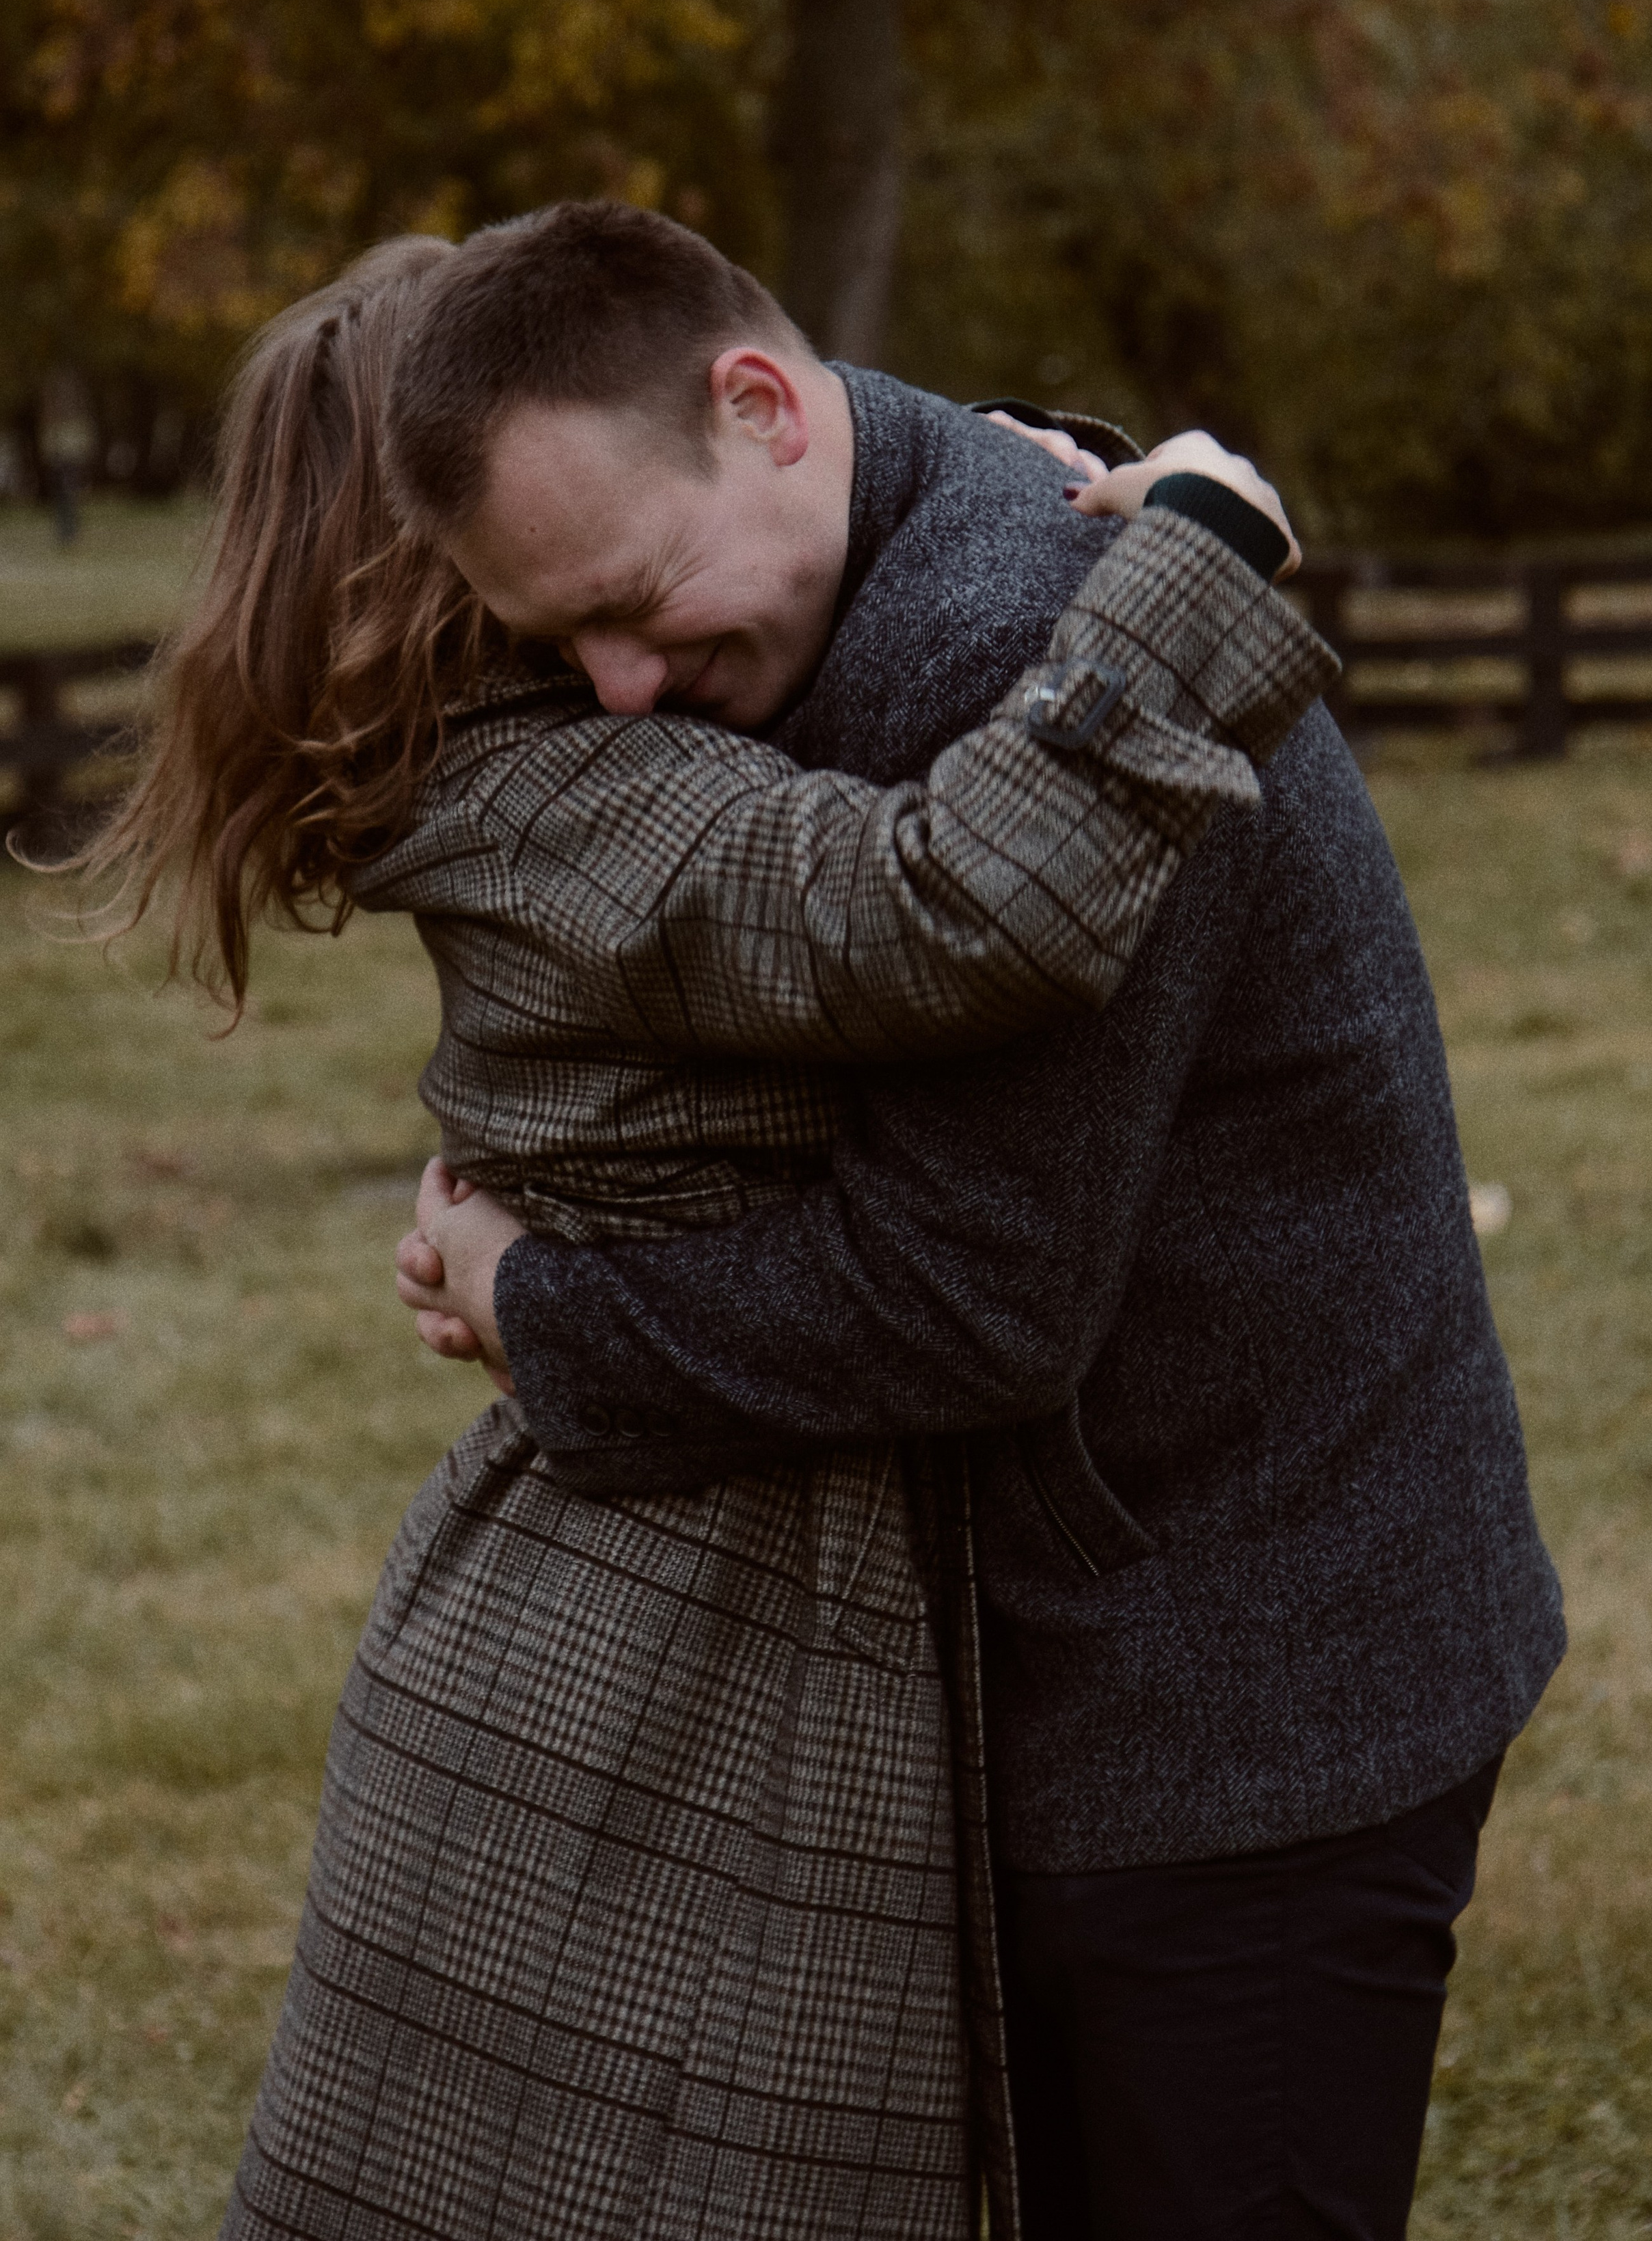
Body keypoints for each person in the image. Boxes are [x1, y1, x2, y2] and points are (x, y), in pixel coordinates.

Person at [68, 219, 1331, 2241]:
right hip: (683, 1635)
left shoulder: (546, 769)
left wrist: (968, 485)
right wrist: (1189, 547)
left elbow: (898, 586)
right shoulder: (588, 802)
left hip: (621, 1597)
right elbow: (958, 902)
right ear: (451, 556)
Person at [396, 203, 1569, 2241]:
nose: (613, 687)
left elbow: (969, 1300)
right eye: (554, 642)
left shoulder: (1021, 654)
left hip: (1244, 1701)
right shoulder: (899, 524)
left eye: (633, 600)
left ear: (765, 409)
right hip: (1116, 1651)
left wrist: (543, 1306)